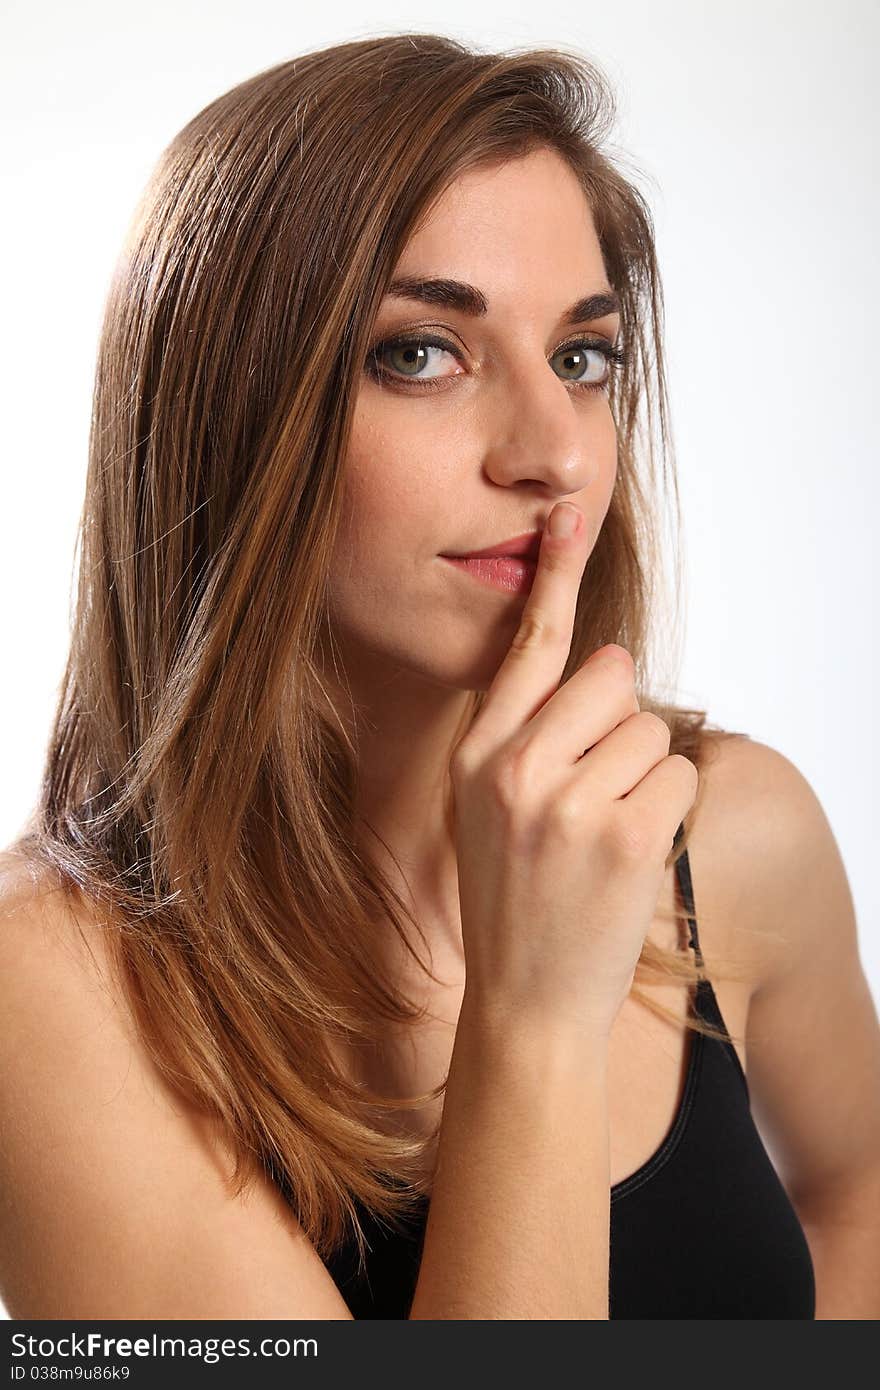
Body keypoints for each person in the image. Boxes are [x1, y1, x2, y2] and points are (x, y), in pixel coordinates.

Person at [1, 32, 878, 1321]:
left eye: (582, 356)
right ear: (227, 417)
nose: (556, 456)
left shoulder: (732, 832)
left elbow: (856, 1193)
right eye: (421, 352)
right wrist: (532, 1021)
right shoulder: (55, 992)